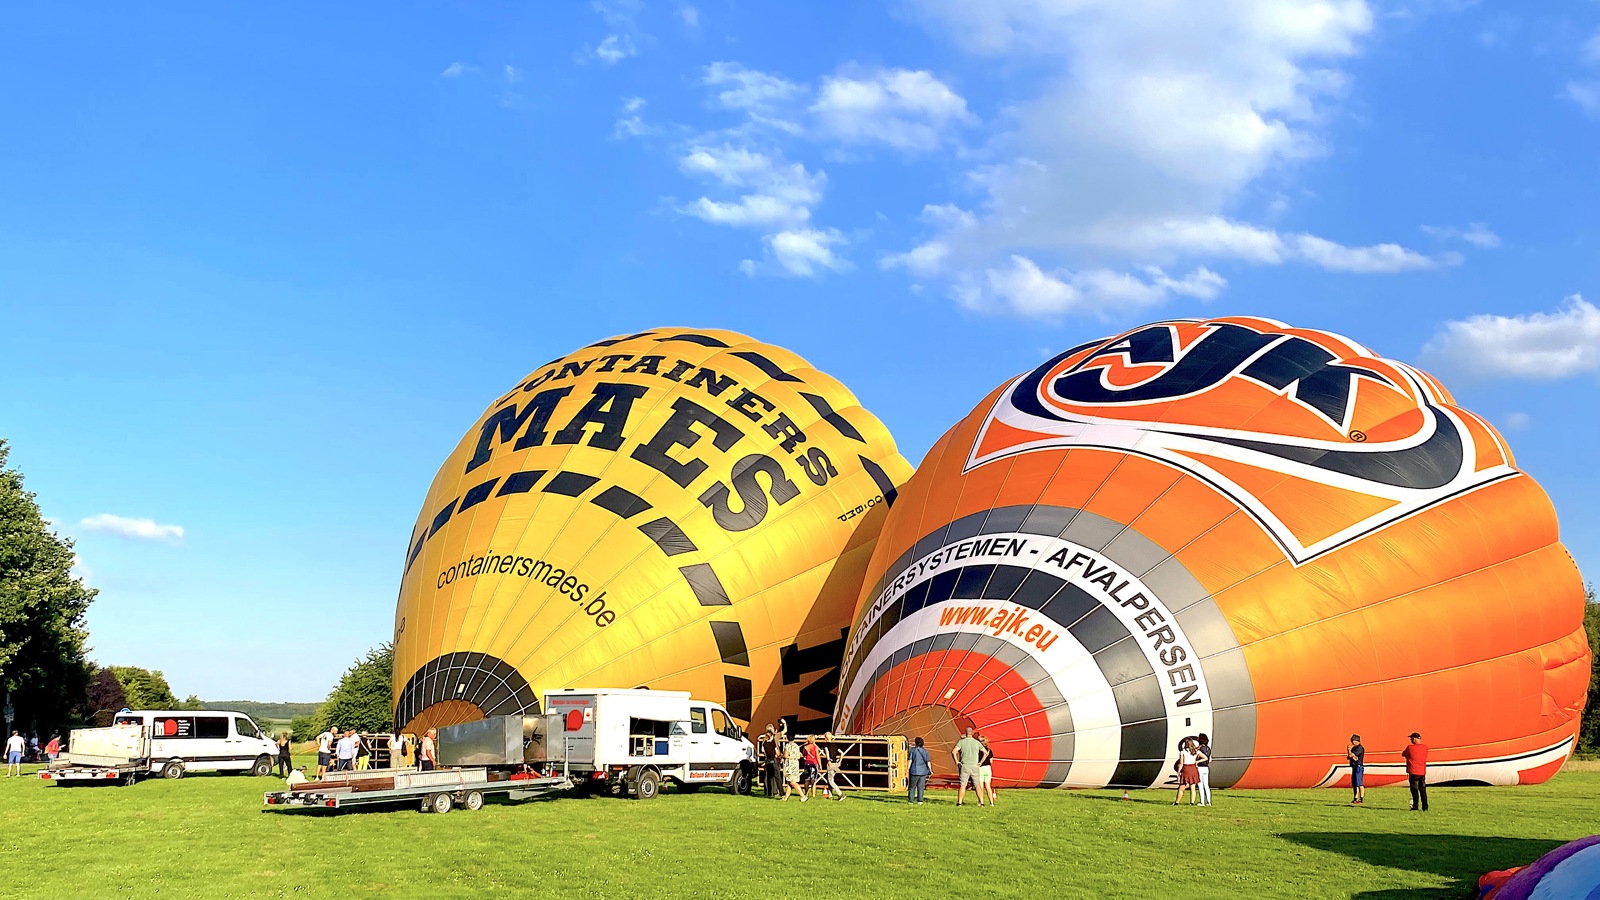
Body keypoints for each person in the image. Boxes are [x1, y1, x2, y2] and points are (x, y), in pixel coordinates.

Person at [954, 727, 984, 807]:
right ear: (972, 733)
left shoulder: (961, 742)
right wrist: (980, 762)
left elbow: (954, 752)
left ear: (966, 733)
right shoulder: (977, 742)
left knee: (963, 785)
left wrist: (957, 761)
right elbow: (985, 752)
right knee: (977, 785)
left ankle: (959, 803)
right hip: (975, 766)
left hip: (965, 766)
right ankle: (982, 802)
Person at [1403, 731, 1428, 812]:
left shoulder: (1410, 748)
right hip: (1422, 772)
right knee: (1423, 790)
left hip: (1413, 771)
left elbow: (1404, 754)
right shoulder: (1425, 748)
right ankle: (1425, 806)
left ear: (1414, 739)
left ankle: (1415, 806)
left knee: (1414, 790)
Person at [1174, 737, 1203, 806]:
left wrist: (1178, 772)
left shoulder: (1183, 752)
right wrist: (1197, 762)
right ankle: (1192, 802)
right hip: (1193, 768)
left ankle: (1177, 802)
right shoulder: (1196, 751)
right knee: (1193, 787)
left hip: (1186, 769)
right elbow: (1205, 758)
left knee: (1181, 787)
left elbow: (1181, 763)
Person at [780, 735, 806, 801]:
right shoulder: (796, 746)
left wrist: (781, 756)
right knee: (789, 782)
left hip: (790, 764)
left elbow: (786, 756)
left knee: (792, 782)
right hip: (795, 764)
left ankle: (803, 796)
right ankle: (786, 797)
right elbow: (799, 755)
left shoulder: (787, 746)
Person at [907, 736, 931, 805]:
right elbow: (928, 761)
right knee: (921, 787)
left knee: (912, 787)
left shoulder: (912, 750)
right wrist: (930, 770)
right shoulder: (925, 751)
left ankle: (910, 801)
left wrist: (907, 769)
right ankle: (920, 801)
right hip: (923, 771)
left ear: (915, 743)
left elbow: (910, 760)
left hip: (914, 771)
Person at [977, 734, 997, 807]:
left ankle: (981, 802)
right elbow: (991, 761)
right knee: (988, 787)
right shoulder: (989, 750)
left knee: (981, 787)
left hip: (980, 768)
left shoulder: (978, 751)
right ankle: (991, 803)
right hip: (988, 768)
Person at [1195, 733, 1213, 807]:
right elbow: (1210, 759)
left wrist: (1197, 762)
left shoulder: (1199, 749)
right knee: (1206, 785)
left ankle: (1202, 802)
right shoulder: (1208, 748)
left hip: (1200, 767)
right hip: (1206, 768)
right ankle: (1209, 802)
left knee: (1200, 785)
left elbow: (1199, 757)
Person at [1347, 734, 1365, 805]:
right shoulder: (1354, 748)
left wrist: (1349, 750)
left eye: (1353, 740)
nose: (1352, 742)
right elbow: (1349, 757)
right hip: (1354, 766)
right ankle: (1355, 797)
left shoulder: (1360, 748)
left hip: (1358, 767)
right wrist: (1349, 752)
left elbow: (1352, 755)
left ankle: (1361, 797)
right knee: (1354, 784)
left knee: (1359, 783)